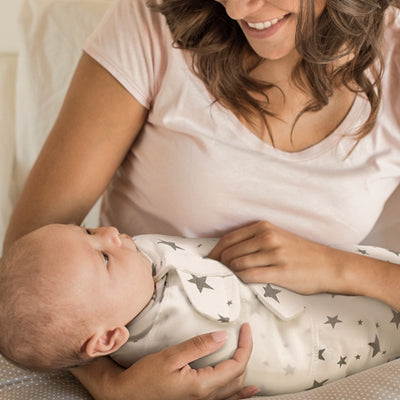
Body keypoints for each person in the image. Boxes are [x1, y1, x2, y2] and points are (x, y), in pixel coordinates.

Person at [3, 0, 400, 398]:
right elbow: (30, 272)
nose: (236, 10)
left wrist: (335, 267)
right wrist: (112, 385)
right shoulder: (153, 22)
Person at [1, 224, 400, 396]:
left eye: (86, 230)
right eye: (103, 257)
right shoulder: (167, 339)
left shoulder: (129, 276)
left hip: (357, 274)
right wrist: (110, 386)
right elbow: (51, 322)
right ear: (108, 339)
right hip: (324, 339)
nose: (109, 233)